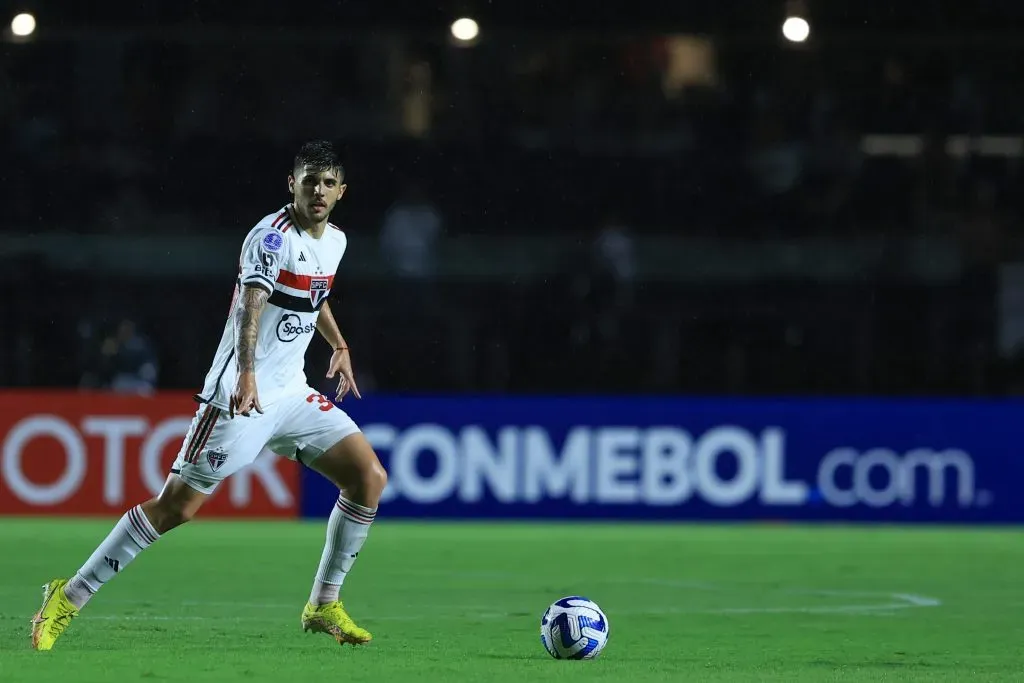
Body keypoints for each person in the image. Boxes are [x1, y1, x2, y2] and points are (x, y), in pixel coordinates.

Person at [31, 140, 387, 651]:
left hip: (291, 392)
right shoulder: (269, 238)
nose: (318, 191)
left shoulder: (335, 240)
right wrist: (245, 374)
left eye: (328, 183)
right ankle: (68, 594)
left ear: (341, 191)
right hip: (239, 395)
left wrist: (339, 344)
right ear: (292, 183)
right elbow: (251, 304)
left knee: (367, 477)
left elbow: (316, 294)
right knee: (176, 507)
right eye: (309, 180)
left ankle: (323, 604)